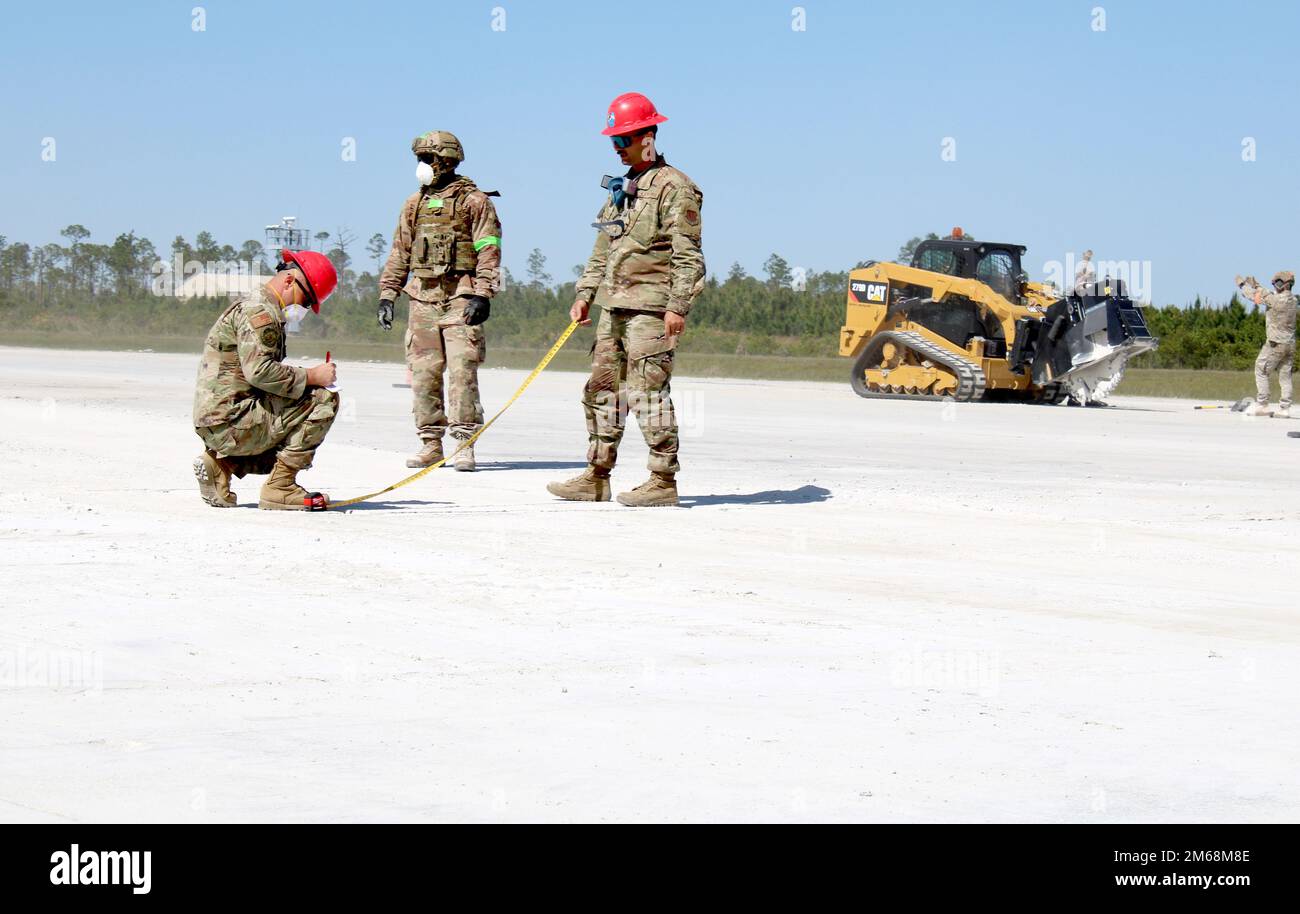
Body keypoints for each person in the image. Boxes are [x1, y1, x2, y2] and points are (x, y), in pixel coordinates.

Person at [547, 92, 705, 507]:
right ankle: (597, 476)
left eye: (624, 140)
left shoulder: (676, 188)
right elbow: (602, 250)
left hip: (651, 309)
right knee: (602, 390)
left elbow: (688, 255)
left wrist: (678, 306)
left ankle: (662, 480)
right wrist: (584, 295)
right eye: (613, 141)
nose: (617, 149)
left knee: (647, 391)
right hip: (612, 307)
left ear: (648, 136)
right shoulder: (622, 191)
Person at [378, 131, 501, 471]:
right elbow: (400, 251)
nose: (422, 166)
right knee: (424, 372)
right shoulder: (413, 204)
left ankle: (464, 442)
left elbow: (488, 250)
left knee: (462, 369)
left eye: (427, 159)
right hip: (422, 297)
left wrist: (482, 293)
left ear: (446, 160)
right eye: (419, 159)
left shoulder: (475, 202)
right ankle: (430, 443)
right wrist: (388, 294)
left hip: (461, 295)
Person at [192, 249, 340, 510]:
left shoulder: (256, 306)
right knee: (323, 399)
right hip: (232, 421)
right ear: (289, 280)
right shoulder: (262, 313)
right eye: (306, 301)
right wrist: (312, 376)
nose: (304, 308)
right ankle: (280, 488)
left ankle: (222, 466)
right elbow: (259, 371)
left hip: (220, 420)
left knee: (289, 419)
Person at [1236, 271, 1296, 417]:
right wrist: (1255, 286)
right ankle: (1285, 408)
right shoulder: (1294, 300)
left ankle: (1262, 404)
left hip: (1275, 343)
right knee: (1285, 376)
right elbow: (1265, 295)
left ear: (1284, 284)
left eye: (1278, 283)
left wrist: (1243, 285)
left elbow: (1256, 297)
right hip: (1290, 344)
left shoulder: (1276, 300)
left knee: (1261, 369)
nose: (1276, 285)